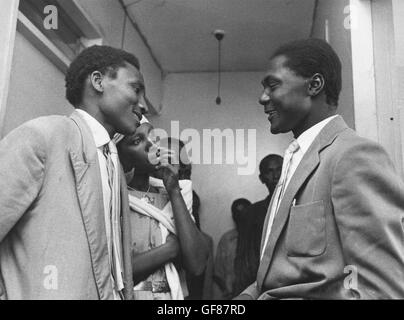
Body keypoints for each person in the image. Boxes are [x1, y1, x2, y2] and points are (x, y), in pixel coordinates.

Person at [236, 38, 404, 300]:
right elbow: (280, 275)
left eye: (273, 85)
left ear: (314, 85)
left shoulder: (352, 156)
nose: (262, 98)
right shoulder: (296, 159)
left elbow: (382, 290)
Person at [0, 45, 144, 299]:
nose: (142, 105)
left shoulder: (112, 161)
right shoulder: (44, 135)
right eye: (135, 88)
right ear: (98, 81)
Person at [117, 125, 209, 300]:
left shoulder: (177, 192)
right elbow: (113, 272)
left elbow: (197, 265)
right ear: (120, 155)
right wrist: (170, 249)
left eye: (153, 137)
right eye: (137, 141)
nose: (152, 146)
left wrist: (173, 190)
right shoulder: (116, 196)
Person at [233, 154, 283, 296]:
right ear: (262, 178)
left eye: (280, 169)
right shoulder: (252, 213)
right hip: (260, 286)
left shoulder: (301, 205)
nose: (276, 176)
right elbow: (243, 257)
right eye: (270, 171)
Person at [213, 198, 251, 299]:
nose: (240, 217)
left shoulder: (258, 237)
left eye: (244, 213)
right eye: (237, 214)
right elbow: (217, 272)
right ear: (233, 216)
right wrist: (227, 290)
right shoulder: (227, 239)